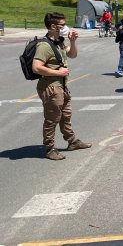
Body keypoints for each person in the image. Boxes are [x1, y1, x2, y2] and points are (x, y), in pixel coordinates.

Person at [32, 12, 91, 160]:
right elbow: (36, 67)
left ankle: (72, 141)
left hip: (62, 85)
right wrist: (58, 72)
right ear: (53, 26)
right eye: (62, 25)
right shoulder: (44, 45)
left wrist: (72, 42)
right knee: (52, 119)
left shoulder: (58, 41)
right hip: (51, 86)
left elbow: (72, 55)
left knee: (65, 116)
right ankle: (49, 148)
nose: (65, 27)